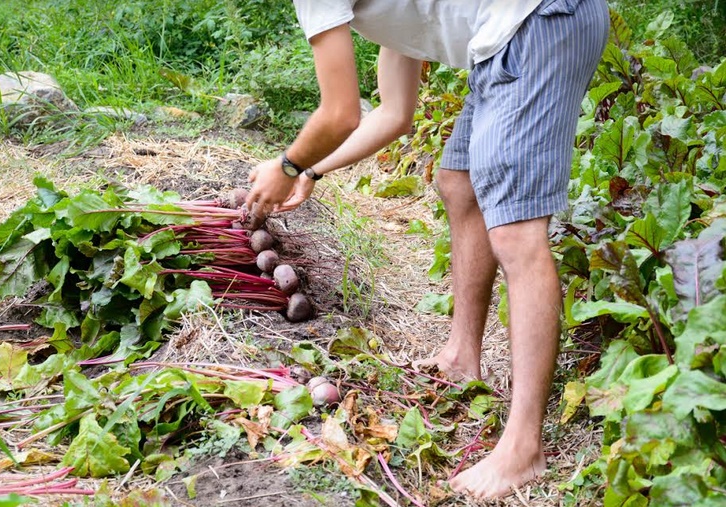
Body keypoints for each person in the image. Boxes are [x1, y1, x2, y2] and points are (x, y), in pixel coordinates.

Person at [246, 0, 609, 499]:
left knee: (517, 232)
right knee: (459, 182)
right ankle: (462, 355)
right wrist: (310, 171)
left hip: (539, 19)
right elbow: (395, 114)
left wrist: (286, 165)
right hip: (509, 32)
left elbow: (339, 112)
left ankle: (523, 449)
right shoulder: (387, 15)